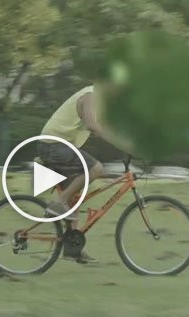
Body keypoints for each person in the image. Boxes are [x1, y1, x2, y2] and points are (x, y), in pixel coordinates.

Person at [37, 68, 133, 262]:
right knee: (96, 169)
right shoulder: (90, 95)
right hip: (53, 146)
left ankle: (72, 250)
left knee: (75, 200)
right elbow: (92, 125)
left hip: (56, 147)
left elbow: (105, 126)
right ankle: (58, 203)